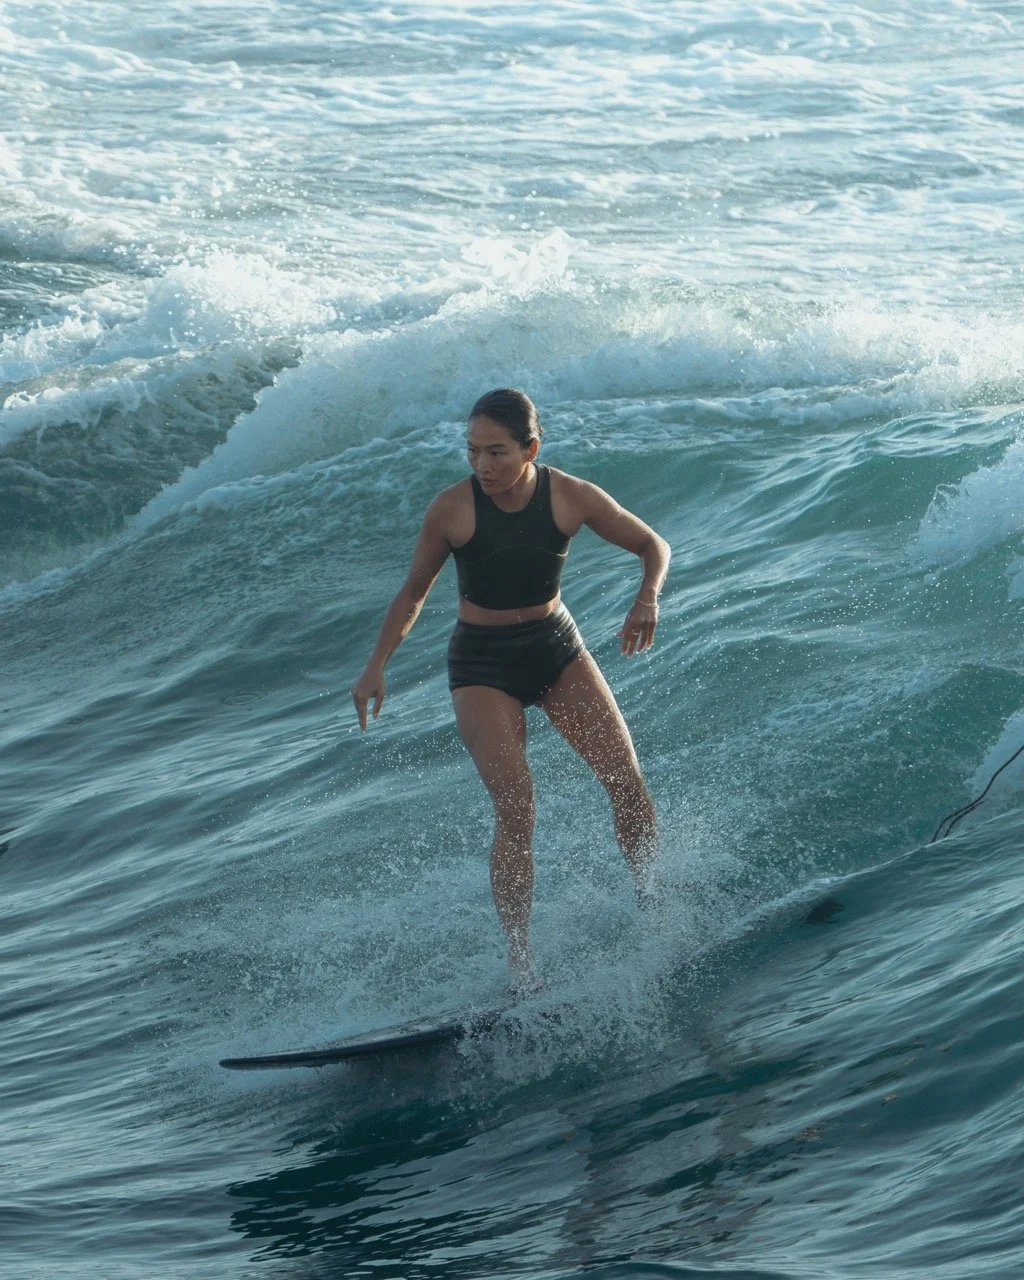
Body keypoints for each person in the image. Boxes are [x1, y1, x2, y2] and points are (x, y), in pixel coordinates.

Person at [352, 388, 671, 991]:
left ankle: (656, 911)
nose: (482, 466)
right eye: (473, 452)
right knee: (517, 808)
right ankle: (523, 969)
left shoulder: (570, 496)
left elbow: (653, 545)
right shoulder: (452, 510)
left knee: (626, 779)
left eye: (497, 453)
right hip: (483, 663)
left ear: (531, 448)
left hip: (556, 646)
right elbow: (414, 590)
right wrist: (377, 664)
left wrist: (647, 594)